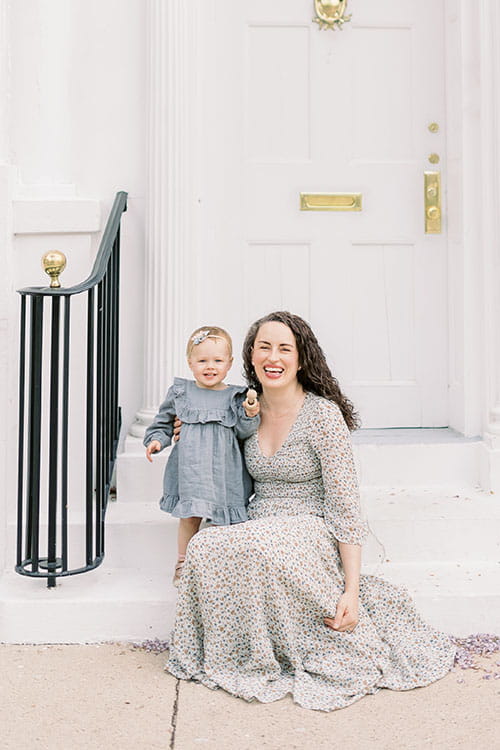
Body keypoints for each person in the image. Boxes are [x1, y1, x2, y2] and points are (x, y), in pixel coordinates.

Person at [166, 311, 456, 711]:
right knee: (204, 545)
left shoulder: (322, 416)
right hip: (259, 518)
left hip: (310, 525)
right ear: (250, 356)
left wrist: (350, 590)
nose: (274, 356)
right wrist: (187, 428)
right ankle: (237, 652)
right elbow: (204, 440)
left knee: (256, 547)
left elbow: (346, 506)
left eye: (285, 348)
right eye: (264, 347)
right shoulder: (238, 409)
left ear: (301, 359)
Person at [144, 325, 260, 585]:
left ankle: (217, 565)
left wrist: (250, 415)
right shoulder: (181, 393)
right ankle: (183, 563)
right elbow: (163, 423)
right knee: (190, 517)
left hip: (224, 472)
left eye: (218, 360)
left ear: (229, 364)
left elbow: (244, 432)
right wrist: (156, 441)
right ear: (190, 362)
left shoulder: (235, 396)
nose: (210, 366)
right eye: (202, 360)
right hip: (192, 470)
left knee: (222, 520)